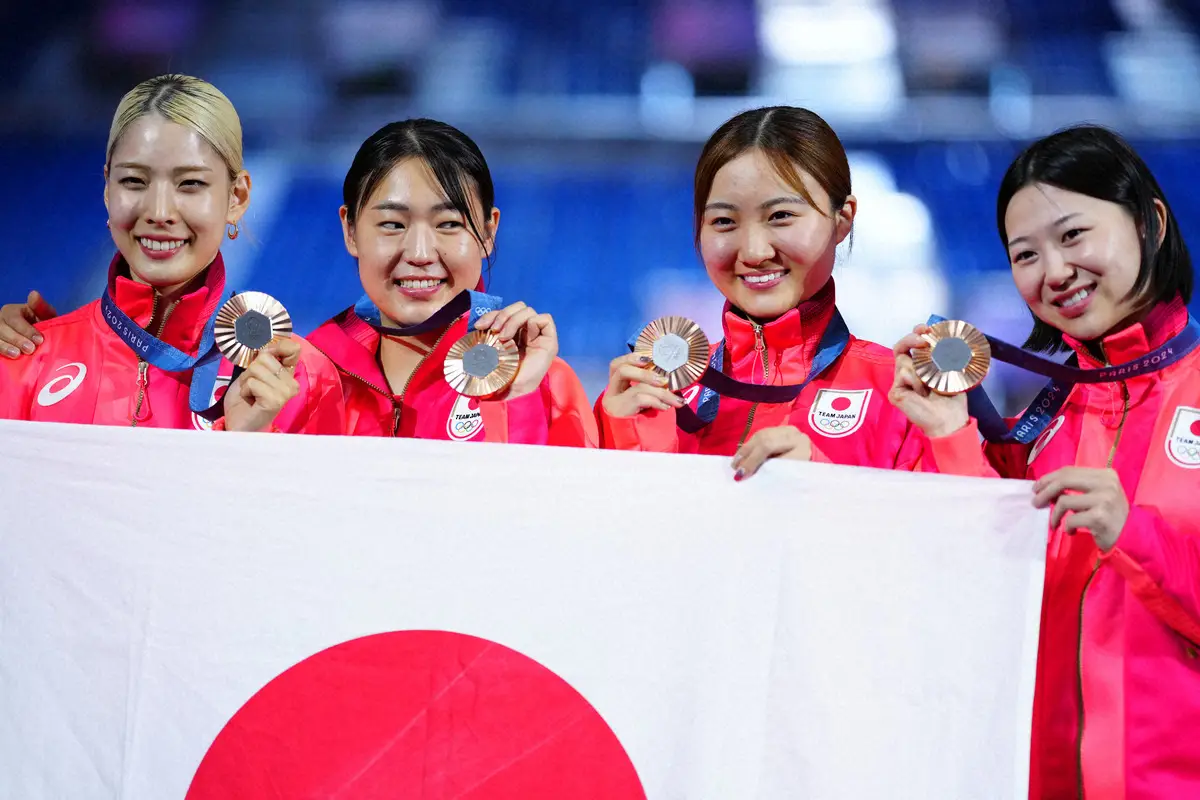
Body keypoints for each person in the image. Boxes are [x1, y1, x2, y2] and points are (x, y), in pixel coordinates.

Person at [890, 125, 1200, 798]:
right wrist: (950, 432)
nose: (1054, 272)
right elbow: (989, 593)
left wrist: (1134, 536)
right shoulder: (1054, 418)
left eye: (1072, 236)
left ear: (1150, 221)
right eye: (1024, 254)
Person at [0, 74, 344, 433]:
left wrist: (248, 443)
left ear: (236, 197)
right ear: (107, 190)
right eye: (134, 181)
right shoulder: (23, 361)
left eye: (190, 183)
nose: (159, 211)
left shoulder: (300, 379)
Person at [595, 106, 926, 477]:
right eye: (724, 221)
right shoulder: (641, 396)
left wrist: (826, 483)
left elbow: (959, 528)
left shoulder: (903, 397)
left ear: (842, 219)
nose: (753, 252)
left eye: (780, 216)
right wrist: (620, 443)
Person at [303, 119, 597, 445]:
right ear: (350, 231)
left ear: (487, 233)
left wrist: (514, 396)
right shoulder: (302, 382)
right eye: (391, 224)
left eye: (447, 224)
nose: (419, 253)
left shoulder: (545, 385)